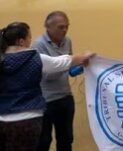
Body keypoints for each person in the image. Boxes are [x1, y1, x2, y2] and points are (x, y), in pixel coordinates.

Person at [0, 22, 94, 151]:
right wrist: (84, 57)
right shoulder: (35, 58)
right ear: (21, 41)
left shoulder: (2, 60)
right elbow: (62, 61)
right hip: (29, 118)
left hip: (3, 119)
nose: (30, 41)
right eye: (29, 38)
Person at [32, 11, 75, 151]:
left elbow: (69, 63)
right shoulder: (38, 45)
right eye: (60, 27)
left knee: (66, 139)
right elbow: (45, 74)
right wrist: (67, 65)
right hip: (46, 100)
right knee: (44, 140)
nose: (64, 30)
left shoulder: (67, 41)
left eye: (66, 26)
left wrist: (76, 68)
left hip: (65, 97)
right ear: (48, 27)